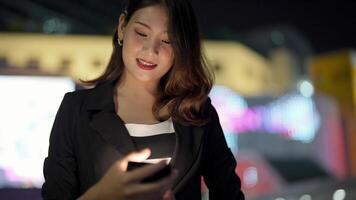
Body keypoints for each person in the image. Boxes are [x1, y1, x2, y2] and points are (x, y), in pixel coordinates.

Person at [42, 0, 245, 199]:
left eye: (167, 40)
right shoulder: (76, 109)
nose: (151, 50)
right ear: (122, 27)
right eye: (141, 33)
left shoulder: (198, 113)